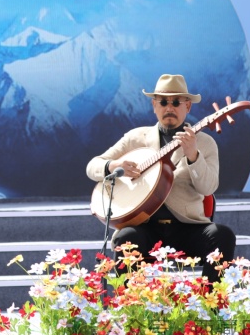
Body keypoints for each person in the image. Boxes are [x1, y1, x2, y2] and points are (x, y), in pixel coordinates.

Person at [86, 74, 235, 283]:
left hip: (188, 227)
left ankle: (210, 300)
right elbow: (92, 166)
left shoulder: (204, 143)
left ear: (188, 106)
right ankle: (130, 302)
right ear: (154, 106)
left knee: (223, 235)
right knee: (126, 238)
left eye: (176, 102)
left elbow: (208, 187)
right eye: (163, 102)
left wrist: (194, 156)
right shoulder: (136, 138)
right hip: (145, 227)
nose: (169, 108)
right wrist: (113, 165)